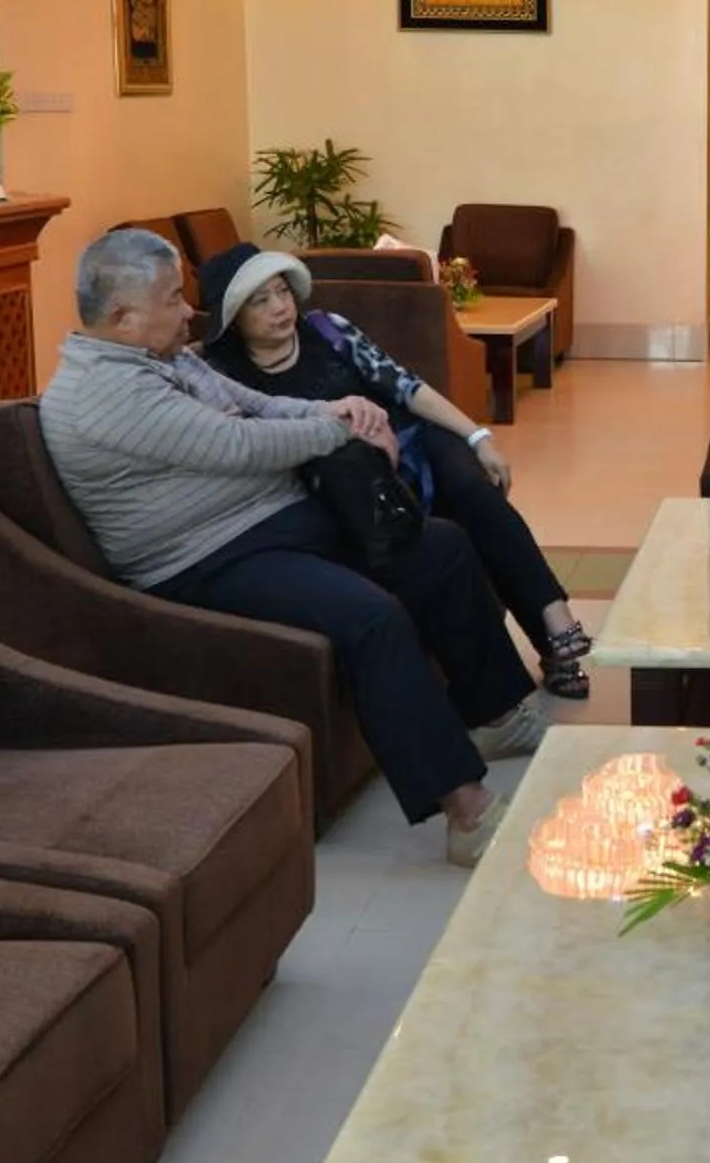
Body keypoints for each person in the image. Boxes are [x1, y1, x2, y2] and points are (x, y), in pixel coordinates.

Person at [39, 227, 544, 868]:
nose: (188, 311)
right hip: (202, 559)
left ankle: (493, 713)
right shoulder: (103, 394)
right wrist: (343, 436)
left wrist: (344, 410)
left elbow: (255, 407)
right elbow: (241, 445)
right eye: (172, 299)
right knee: (370, 615)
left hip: (266, 520)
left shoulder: (161, 356)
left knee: (437, 544)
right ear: (122, 316)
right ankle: (467, 813)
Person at [196, 243, 596, 700]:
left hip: (414, 444)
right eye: (260, 300)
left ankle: (557, 628)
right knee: (448, 534)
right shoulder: (227, 378)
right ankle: (536, 654)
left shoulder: (329, 329)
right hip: (359, 485)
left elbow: (406, 388)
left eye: (282, 291)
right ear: (233, 318)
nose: (280, 307)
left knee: (473, 492)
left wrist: (476, 437)